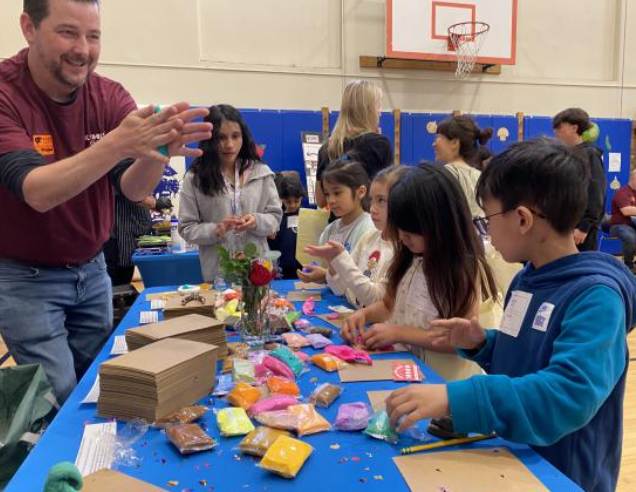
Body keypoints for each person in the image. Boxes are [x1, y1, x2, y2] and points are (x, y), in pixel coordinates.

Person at [386, 139, 636, 492]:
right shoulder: (526, 279)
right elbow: (527, 356)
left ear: (522, 219)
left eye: (487, 219)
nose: (485, 231)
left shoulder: (596, 298)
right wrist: (483, 344)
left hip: (565, 475)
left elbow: (566, 395)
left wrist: (456, 397)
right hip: (517, 457)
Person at [0, 0, 212, 403]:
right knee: (58, 397)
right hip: (24, 279)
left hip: (91, 269)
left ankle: (96, 461)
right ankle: (56, 463)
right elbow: (37, 192)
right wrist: (117, 144)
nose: (83, 48)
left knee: (102, 387)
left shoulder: (109, 95)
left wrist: (158, 154)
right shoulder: (7, 93)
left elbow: (132, 189)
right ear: (29, 28)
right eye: (68, 32)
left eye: (93, 36)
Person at [340, 164, 497, 381]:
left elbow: (459, 340)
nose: (402, 237)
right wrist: (363, 315)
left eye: (410, 229)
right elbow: (388, 305)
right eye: (399, 228)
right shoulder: (408, 257)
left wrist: (398, 332)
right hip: (406, 371)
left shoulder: (462, 270)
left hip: (442, 384)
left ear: (439, 222)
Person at [179, 104, 282, 282]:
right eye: (221, 137)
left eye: (235, 136)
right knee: (222, 310)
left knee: (258, 309)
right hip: (218, 274)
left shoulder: (261, 172)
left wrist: (256, 221)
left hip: (258, 272)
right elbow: (186, 228)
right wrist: (215, 230)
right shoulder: (195, 178)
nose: (229, 144)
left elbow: (275, 218)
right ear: (209, 139)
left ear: (243, 136)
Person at [305, 165, 410, 308]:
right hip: (358, 317)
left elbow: (376, 300)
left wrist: (341, 258)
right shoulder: (368, 238)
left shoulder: (402, 250)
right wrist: (333, 263)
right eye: (372, 200)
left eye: (381, 200)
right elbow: (339, 288)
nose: (372, 208)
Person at [315, 79, 392, 209]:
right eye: (377, 106)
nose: (380, 112)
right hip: (371, 223)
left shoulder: (328, 147)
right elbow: (390, 193)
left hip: (339, 225)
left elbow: (321, 200)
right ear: (368, 109)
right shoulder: (379, 144)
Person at [299, 159, 374, 284]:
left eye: (337, 193)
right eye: (327, 194)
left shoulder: (369, 228)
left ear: (360, 192)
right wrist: (317, 273)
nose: (331, 200)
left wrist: (325, 275)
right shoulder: (330, 230)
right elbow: (325, 267)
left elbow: (365, 279)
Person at [553, 107, 606, 251]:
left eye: (559, 128)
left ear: (574, 128)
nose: (555, 133)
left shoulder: (590, 154)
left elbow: (595, 192)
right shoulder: (566, 154)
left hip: (581, 230)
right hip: (565, 225)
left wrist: (584, 226)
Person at [104, 193, 172, 286]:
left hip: (135, 231)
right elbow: (127, 191)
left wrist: (154, 205)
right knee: (119, 283)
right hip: (119, 237)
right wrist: (154, 203)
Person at [433, 115, 493, 217]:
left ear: (455, 142)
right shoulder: (479, 176)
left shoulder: (445, 174)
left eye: (438, 137)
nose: (433, 144)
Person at [268, 171, 306, 279]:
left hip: (304, 267)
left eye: (296, 201)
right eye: (289, 202)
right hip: (283, 269)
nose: (293, 205)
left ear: (301, 198)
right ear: (282, 199)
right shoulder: (278, 219)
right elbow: (272, 246)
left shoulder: (307, 216)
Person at [609, 169, 636, 271]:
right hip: (619, 225)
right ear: (634, 179)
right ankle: (628, 266)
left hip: (631, 224)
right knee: (630, 237)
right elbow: (626, 211)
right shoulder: (622, 192)